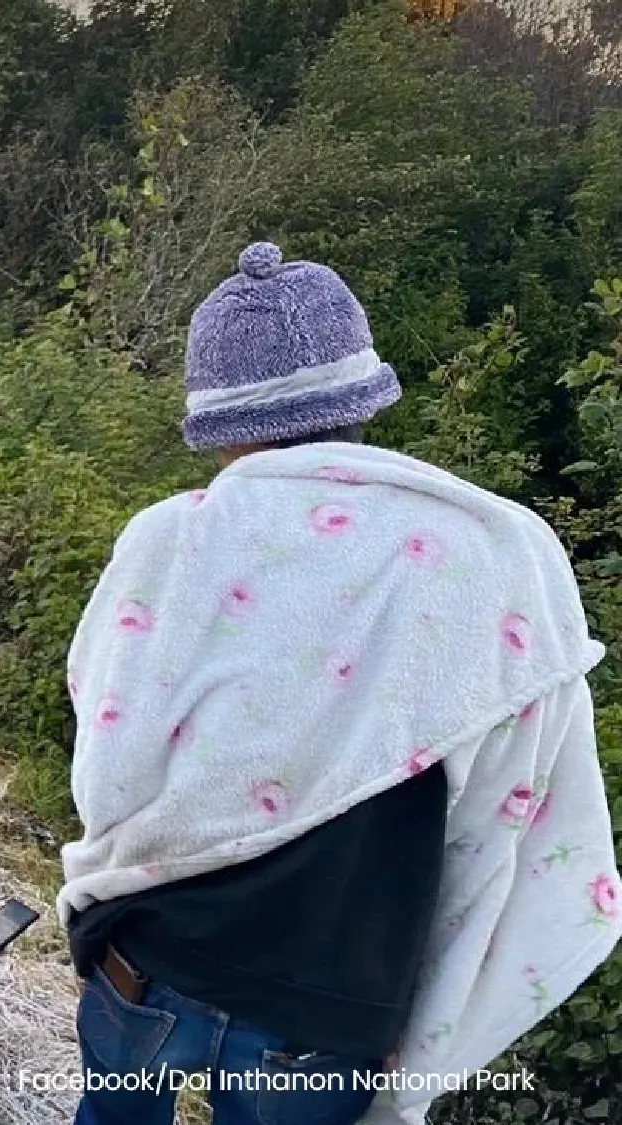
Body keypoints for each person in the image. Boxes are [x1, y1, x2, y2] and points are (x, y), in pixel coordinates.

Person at [61, 242, 618, 1125]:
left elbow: (106, 764)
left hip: (151, 960)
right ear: (364, 399)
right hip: (328, 1006)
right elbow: (507, 806)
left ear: (221, 423)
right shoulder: (494, 553)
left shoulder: (173, 541)